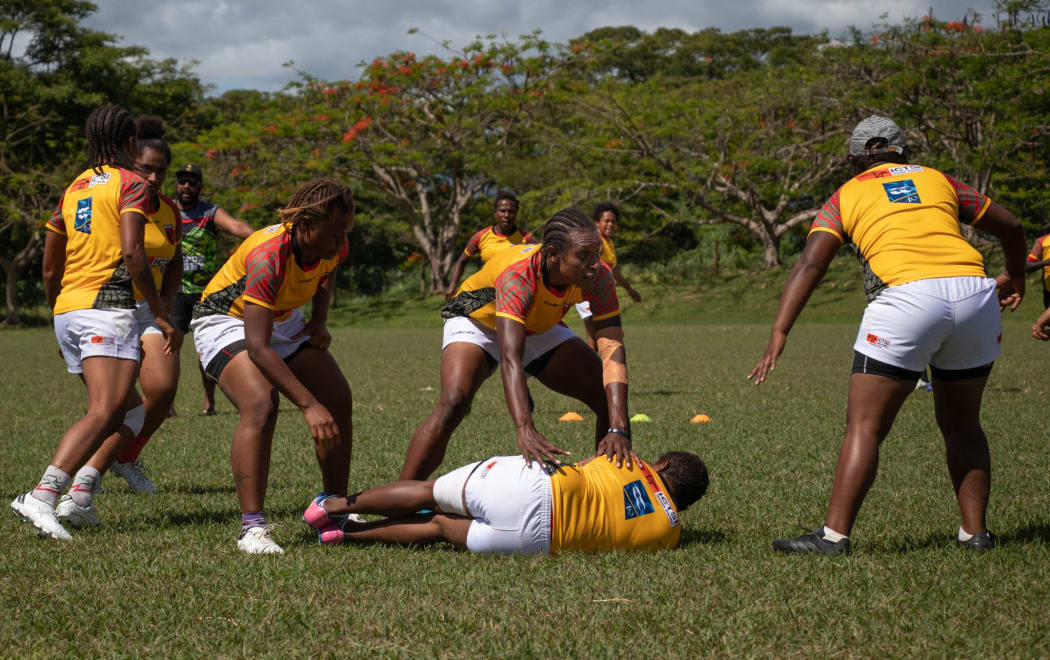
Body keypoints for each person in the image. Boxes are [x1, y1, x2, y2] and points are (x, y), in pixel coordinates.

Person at [748, 115, 1026, 555]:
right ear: (904, 153)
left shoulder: (846, 194)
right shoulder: (940, 180)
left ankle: (833, 537)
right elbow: (1011, 227)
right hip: (975, 292)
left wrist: (780, 331)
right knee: (962, 423)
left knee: (866, 424)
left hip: (907, 298)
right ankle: (976, 534)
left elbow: (810, 264)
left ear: (856, 159)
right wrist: (1014, 276)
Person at [11, 104, 177, 540]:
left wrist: (61, 314)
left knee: (132, 413)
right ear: (129, 144)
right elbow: (134, 254)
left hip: (68, 307)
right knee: (104, 411)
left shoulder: (74, 187)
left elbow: (50, 268)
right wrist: (161, 314)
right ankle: (43, 496)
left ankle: (80, 498)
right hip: (110, 307)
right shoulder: (131, 185)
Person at [403, 207, 633, 482]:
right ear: (553, 255)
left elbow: (612, 349)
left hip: (535, 324)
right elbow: (511, 356)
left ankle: (605, 489)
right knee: (454, 402)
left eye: (596, 253)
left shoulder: (599, 277)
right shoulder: (520, 274)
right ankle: (401, 497)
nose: (595, 263)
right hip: (478, 320)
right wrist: (524, 427)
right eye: (583, 255)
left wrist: (619, 428)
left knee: (606, 395)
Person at [189, 178, 355, 554]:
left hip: (281, 315)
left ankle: (333, 509)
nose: (342, 242)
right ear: (308, 225)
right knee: (261, 403)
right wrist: (309, 406)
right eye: (336, 233)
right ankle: (253, 529)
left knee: (338, 398)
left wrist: (319, 321)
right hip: (223, 319)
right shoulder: (269, 254)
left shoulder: (331, 243)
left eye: (346, 232)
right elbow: (258, 346)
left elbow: (326, 275)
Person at [303, 450, 708, 555]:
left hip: (537, 486)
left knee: (430, 491)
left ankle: (332, 506)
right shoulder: (670, 535)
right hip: (537, 539)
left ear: (664, 465)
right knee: (440, 526)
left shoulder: (632, 462)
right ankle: (346, 534)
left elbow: (585, 465)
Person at [93, 116, 182, 496]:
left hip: (150, 310)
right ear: (132, 161)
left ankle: (126, 456)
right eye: (146, 168)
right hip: (108, 305)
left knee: (162, 388)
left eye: (161, 171)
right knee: (110, 402)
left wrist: (165, 303)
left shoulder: (169, 210)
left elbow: (175, 257)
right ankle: (85, 474)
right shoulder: (113, 199)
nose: (153, 178)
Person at [169, 163, 255, 416]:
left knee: (204, 350)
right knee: (170, 346)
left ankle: (210, 404)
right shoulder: (167, 210)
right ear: (176, 184)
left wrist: (265, 243)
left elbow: (238, 228)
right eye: (182, 180)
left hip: (207, 293)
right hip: (176, 290)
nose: (186, 186)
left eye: (192, 182)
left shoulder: (209, 212)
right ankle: (168, 404)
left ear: (200, 187)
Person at [575, 202, 642, 350]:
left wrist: (629, 289)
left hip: (599, 293)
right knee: (593, 337)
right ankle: (588, 370)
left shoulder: (608, 242)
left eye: (613, 221)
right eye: (607, 220)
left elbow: (614, 270)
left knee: (599, 337)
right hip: (587, 292)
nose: (610, 224)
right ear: (597, 223)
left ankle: (590, 370)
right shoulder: (595, 241)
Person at [444, 191, 532, 301]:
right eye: (502, 211)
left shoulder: (526, 239)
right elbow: (461, 261)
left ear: (516, 213)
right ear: (495, 212)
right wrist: (452, 285)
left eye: (511, 211)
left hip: (514, 294)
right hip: (485, 293)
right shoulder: (481, 236)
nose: (506, 215)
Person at [1025, 233, 1050, 309]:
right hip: (1049, 294)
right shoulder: (1043, 241)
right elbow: (1026, 266)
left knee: (1040, 321)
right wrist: (1046, 262)